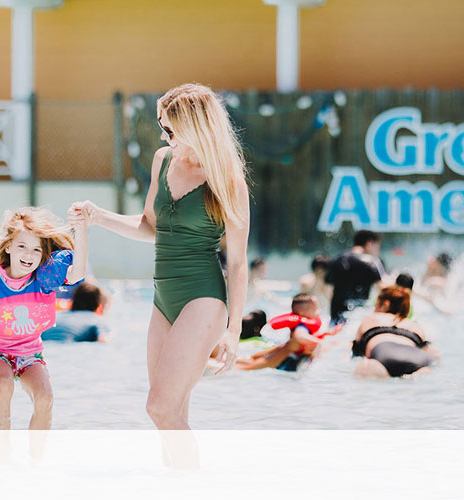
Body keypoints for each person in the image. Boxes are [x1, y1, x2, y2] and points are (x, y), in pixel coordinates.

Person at [76, 83, 250, 430]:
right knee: (170, 411)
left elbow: (238, 262)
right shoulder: (163, 160)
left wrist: (233, 331)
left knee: (159, 407)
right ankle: (178, 480)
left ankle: (197, 481)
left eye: (169, 128)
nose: (163, 134)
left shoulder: (228, 179)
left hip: (203, 298)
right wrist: (99, 217)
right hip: (163, 298)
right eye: (161, 125)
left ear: (194, 125)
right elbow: (149, 226)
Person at [0, 206, 87, 430]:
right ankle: (4, 454)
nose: (28, 255)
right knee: (4, 384)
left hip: (31, 354)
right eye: (22, 246)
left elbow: (77, 273)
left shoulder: (44, 281)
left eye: (36, 250)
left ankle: (35, 460)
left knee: (45, 397)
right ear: (8, 247)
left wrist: (82, 229)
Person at [235, 294, 336, 372]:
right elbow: (299, 336)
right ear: (303, 313)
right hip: (285, 358)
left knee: (249, 360)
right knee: (247, 368)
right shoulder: (303, 326)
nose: (319, 311)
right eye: (315, 309)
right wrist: (321, 342)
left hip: (284, 349)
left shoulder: (302, 323)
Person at [352, 286, 437, 378]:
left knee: (366, 367)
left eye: (376, 305)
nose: (374, 309)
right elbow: (427, 350)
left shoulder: (371, 318)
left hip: (383, 354)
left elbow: (356, 351)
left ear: (385, 305)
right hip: (416, 358)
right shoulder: (414, 325)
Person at [326, 230, 389, 325]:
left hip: (336, 317)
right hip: (358, 317)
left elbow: (328, 288)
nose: (377, 251)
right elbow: (385, 288)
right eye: (377, 246)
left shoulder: (338, 259)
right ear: (369, 243)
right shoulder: (372, 261)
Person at [42, 282, 112, 342]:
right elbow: (103, 340)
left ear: (72, 301)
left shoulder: (53, 316)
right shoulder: (96, 320)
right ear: (99, 307)